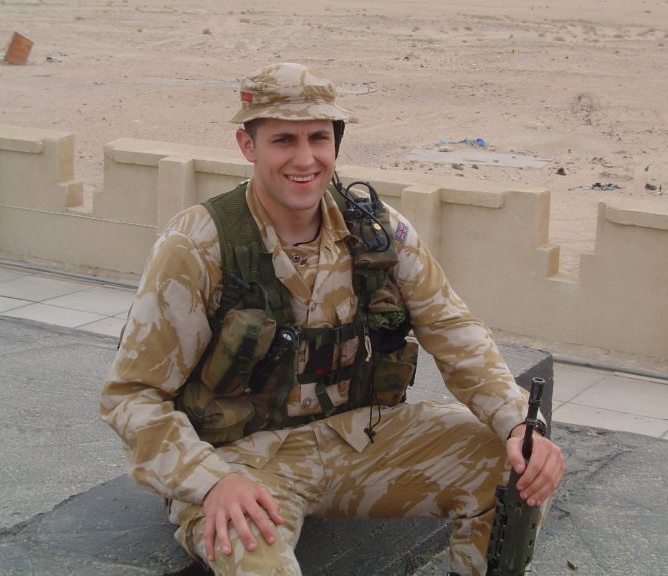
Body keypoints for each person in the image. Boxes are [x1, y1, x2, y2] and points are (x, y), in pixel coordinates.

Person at [100, 62, 564, 576]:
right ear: (247, 145)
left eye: (319, 138)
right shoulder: (199, 246)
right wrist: (209, 481)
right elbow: (132, 396)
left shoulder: (379, 232)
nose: (305, 159)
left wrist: (520, 421)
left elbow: (454, 331)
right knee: (257, 562)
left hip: (359, 440)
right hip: (246, 462)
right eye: (283, 140)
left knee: (515, 469)